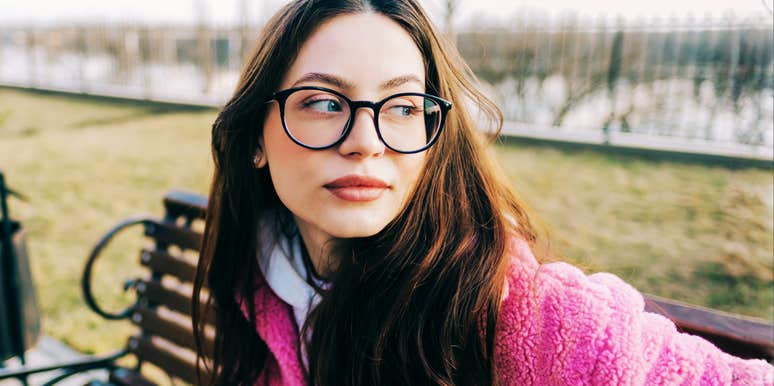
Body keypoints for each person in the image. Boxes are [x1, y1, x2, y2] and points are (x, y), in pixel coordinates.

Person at [192, 0, 774, 385]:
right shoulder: (266, 281)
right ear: (254, 140)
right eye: (323, 102)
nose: (367, 142)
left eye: (401, 106)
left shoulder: (529, 317)